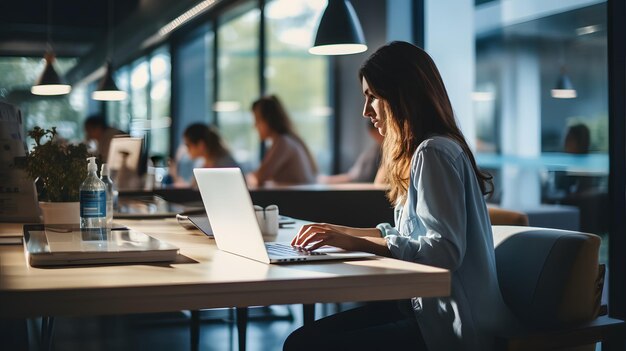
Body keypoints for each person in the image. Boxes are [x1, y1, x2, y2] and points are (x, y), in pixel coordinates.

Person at [285, 41, 518, 351]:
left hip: (449, 326)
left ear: (402, 96)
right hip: (425, 312)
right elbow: (408, 235)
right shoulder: (425, 150)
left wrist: (352, 241)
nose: (366, 111)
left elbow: (444, 252)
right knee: (303, 341)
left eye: (373, 98)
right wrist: (339, 232)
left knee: (304, 344)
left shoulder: (433, 151)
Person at [247, 95, 317, 186]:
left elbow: (261, 176)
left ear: (269, 120)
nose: (255, 126)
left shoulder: (283, 142)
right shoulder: (286, 140)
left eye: (257, 120)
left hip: (298, 199)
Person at [318, 121, 383, 184]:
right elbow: (354, 176)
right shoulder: (375, 150)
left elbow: (355, 177)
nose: (365, 113)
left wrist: (327, 180)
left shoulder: (379, 152)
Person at [181, 123, 239, 187]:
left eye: (188, 145)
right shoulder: (201, 164)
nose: (187, 150)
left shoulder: (226, 165)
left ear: (201, 145)